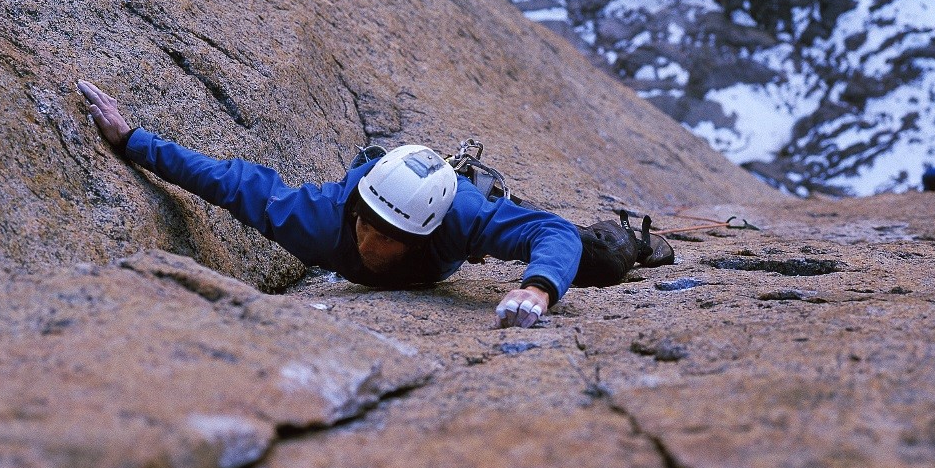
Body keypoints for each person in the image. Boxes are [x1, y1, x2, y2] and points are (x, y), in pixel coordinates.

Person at [77, 80, 583, 328]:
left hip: (461, 197)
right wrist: (132, 141)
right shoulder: (319, 220)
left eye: (391, 237)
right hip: (374, 181)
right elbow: (226, 181)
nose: (369, 242)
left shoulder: (462, 219)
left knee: (592, 257)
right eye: (366, 224)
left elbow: (553, 232)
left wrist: (539, 288)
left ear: (427, 233)